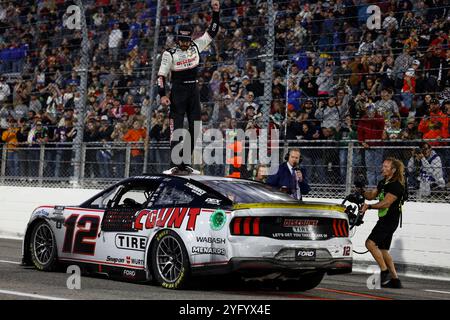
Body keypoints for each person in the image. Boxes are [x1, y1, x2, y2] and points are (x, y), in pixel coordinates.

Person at [157, 0, 220, 167]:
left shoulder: (196, 46)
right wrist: (162, 95)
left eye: (187, 39)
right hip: (177, 92)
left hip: (193, 90)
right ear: (177, 39)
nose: (184, 43)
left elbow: (212, 32)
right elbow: (161, 75)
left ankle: (185, 161)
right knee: (176, 129)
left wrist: (216, 13)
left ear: (191, 37)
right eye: (181, 40)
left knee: (196, 127)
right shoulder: (169, 53)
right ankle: (174, 163)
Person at [361, 157, 406, 289]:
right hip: (385, 219)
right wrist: (361, 191)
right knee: (383, 250)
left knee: (369, 243)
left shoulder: (396, 185)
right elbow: (371, 195)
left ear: (393, 170)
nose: (383, 168)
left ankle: (384, 271)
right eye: (383, 166)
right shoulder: (384, 182)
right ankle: (395, 280)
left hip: (389, 220)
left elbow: (386, 203)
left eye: (386, 167)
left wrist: (368, 207)